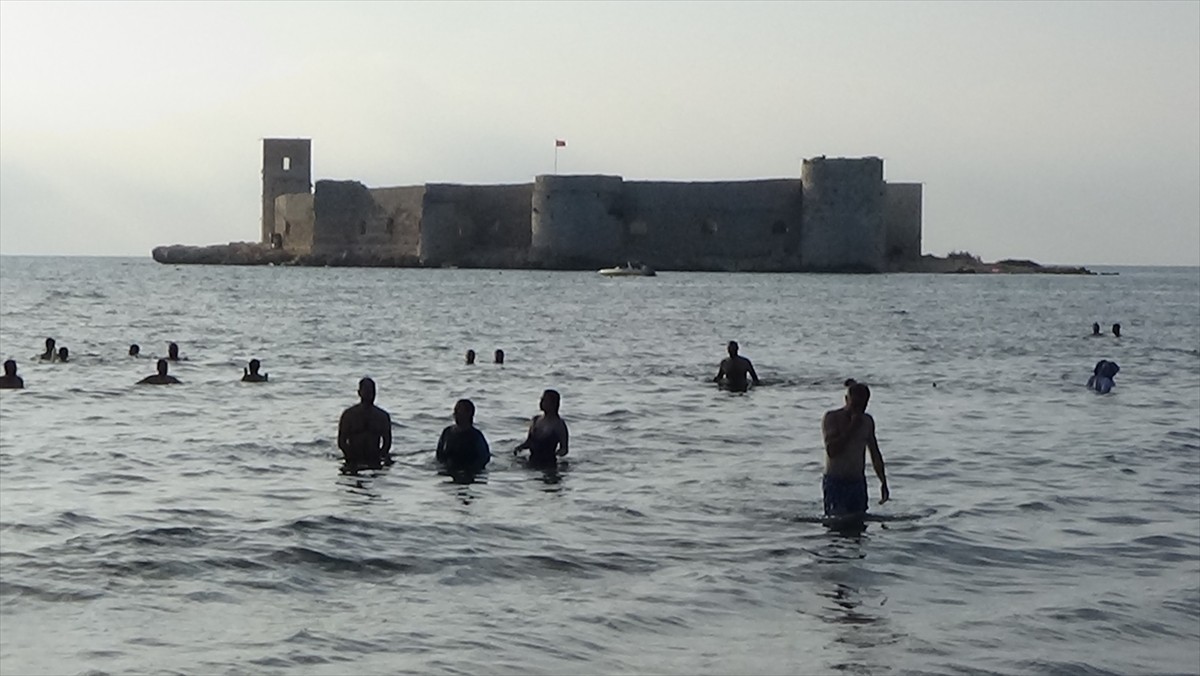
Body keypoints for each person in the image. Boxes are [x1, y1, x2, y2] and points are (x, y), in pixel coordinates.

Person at [821, 381, 890, 519]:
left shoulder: (867, 421)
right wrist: (852, 426)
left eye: (862, 406)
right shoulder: (832, 418)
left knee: (858, 526)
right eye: (855, 405)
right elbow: (832, 450)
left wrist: (883, 482)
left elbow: (875, 453)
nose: (858, 410)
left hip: (857, 482)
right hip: (836, 481)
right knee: (837, 524)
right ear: (847, 400)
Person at [337, 377, 393, 469]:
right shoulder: (349, 415)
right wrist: (350, 455)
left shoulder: (382, 416)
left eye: (372, 392)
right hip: (353, 459)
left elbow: (387, 442)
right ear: (359, 393)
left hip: (375, 458)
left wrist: (380, 455)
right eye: (367, 391)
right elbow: (341, 441)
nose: (369, 395)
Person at [514, 389, 569, 468]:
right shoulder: (535, 420)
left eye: (544, 400)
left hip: (549, 464)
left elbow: (564, 449)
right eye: (541, 399)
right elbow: (529, 442)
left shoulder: (559, 425)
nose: (541, 402)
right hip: (531, 460)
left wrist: (555, 454)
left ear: (553, 404)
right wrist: (520, 448)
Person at [436, 399, 491, 476]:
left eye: (458, 411)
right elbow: (439, 454)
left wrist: (472, 470)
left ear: (469, 414)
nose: (455, 414)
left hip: (470, 472)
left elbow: (484, 458)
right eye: (455, 411)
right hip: (448, 471)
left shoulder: (476, 436)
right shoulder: (447, 432)